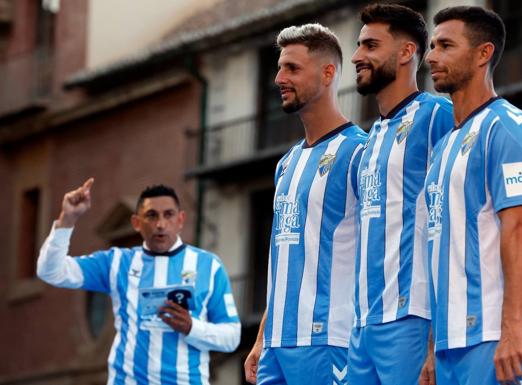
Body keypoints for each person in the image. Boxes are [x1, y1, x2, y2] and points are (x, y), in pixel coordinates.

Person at [421, 6, 522, 385]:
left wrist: (513, 330)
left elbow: (520, 229)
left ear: (483, 54)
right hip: (450, 343)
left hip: (494, 338)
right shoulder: (443, 147)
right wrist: (433, 347)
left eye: (445, 45)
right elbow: (439, 249)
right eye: (431, 46)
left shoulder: (507, 127)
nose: (431, 56)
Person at [243, 24, 367, 385]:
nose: (280, 78)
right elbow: (284, 259)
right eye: (280, 68)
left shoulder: (360, 151)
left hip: (330, 341)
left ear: (328, 73)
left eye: (292, 69)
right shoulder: (287, 163)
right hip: (277, 347)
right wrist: (263, 335)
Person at [37, 180, 241, 384]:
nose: (160, 224)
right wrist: (67, 220)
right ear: (136, 223)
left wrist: (192, 327)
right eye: (151, 215)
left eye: (168, 215)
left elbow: (232, 337)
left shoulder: (209, 265)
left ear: (180, 220)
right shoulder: (116, 262)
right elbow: (51, 271)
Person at [348, 4, 454, 385]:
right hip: (362, 324)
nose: (358, 56)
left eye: (371, 45)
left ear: (407, 52)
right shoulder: (370, 138)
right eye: (359, 46)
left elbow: (454, 220)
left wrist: (435, 335)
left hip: (412, 317)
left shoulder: (438, 114)